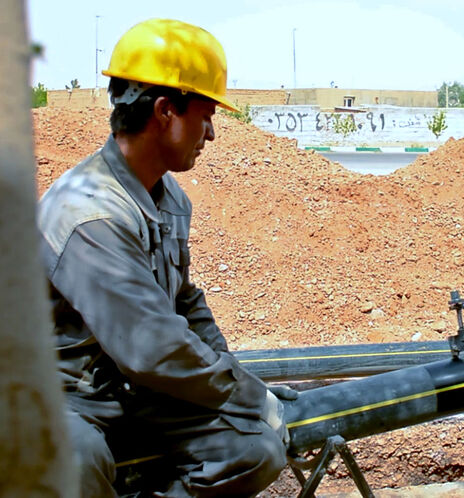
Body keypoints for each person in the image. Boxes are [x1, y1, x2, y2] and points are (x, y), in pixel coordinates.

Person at [37, 19, 293, 497]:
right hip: (60, 395)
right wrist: (247, 394)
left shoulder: (167, 197)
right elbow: (153, 348)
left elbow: (184, 304)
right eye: (206, 114)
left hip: (128, 389)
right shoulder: (89, 212)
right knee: (74, 459)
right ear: (165, 111)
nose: (212, 133)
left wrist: (245, 386)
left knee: (254, 446)